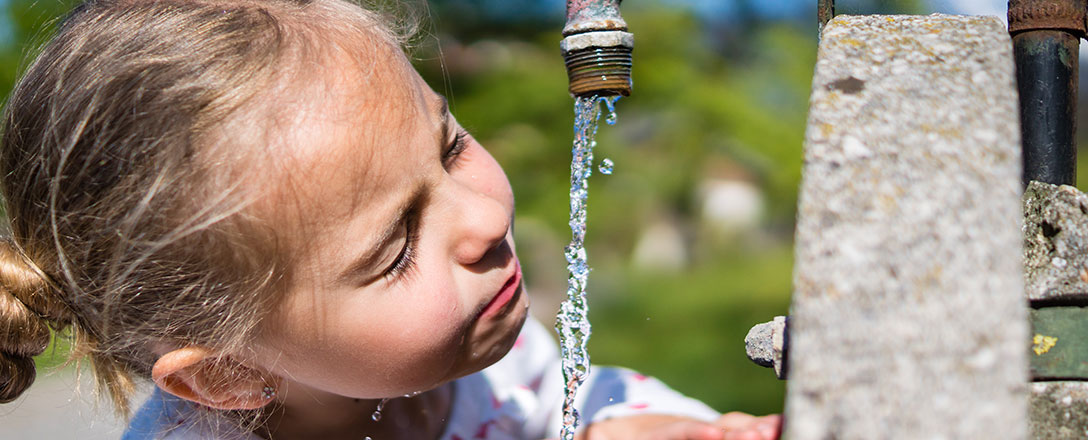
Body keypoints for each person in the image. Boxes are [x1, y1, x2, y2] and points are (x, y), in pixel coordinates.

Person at [0, 0, 781, 438]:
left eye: (449, 147)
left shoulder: (493, 363)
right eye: (399, 244)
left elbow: (583, 405)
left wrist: (642, 426)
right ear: (229, 373)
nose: (483, 221)